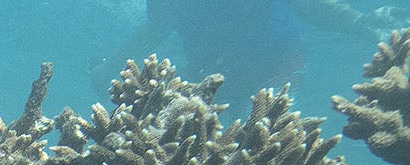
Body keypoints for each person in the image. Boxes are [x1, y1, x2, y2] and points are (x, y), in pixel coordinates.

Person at [103, 0, 392, 100]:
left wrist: (357, 21)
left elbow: (309, 5)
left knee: (281, 138)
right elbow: (151, 33)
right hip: (211, 75)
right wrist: (110, 69)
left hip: (278, 66)